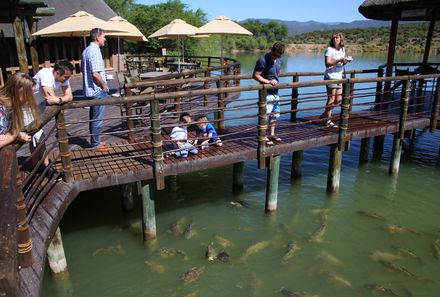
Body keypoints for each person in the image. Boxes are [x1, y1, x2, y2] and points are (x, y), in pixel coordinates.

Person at [81, 27, 110, 152]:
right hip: (97, 90)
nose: (105, 38)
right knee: (97, 118)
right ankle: (95, 145)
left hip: (91, 91)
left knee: (94, 117)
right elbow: (95, 74)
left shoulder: (87, 50)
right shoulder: (95, 51)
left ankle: (95, 141)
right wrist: (104, 86)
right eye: (103, 36)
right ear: (97, 37)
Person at [253, 42, 285, 145]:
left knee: (274, 114)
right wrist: (268, 81)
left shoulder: (279, 60)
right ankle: (263, 135)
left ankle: (271, 134)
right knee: (264, 115)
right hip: (266, 93)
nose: (277, 57)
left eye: (279, 55)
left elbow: (277, 73)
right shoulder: (263, 60)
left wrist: (274, 79)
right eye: (276, 55)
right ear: (272, 49)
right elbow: (255, 75)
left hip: (276, 92)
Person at [0, 73, 38, 150]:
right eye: (29, 94)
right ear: (18, 92)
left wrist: (16, 134)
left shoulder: (11, 107)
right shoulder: (2, 108)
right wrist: (13, 136)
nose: (31, 98)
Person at [321, 32, 351, 128]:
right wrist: (338, 60)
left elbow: (341, 65)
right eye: (333, 38)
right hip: (330, 77)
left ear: (340, 39)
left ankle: (325, 114)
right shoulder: (329, 50)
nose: (335, 39)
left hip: (339, 77)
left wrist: (345, 61)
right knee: (331, 99)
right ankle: (327, 121)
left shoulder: (342, 49)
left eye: (337, 38)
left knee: (339, 99)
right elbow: (327, 63)